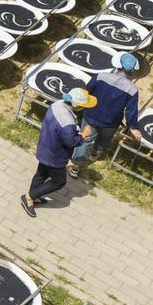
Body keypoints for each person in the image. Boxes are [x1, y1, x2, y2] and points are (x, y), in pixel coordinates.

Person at [21, 88, 96, 218]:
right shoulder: (67, 122)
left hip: (45, 146)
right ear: (77, 106)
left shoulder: (57, 104)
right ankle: (29, 197)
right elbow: (71, 142)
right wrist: (84, 135)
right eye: (84, 106)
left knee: (41, 174)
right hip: (55, 155)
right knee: (59, 181)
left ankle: (34, 196)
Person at [69, 51, 142, 178]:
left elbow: (87, 92)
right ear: (133, 71)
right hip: (111, 122)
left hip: (91, 116)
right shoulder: (132, 89)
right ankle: (94, 155)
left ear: (117, 65)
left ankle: (75, 167)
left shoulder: (100, 76)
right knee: (103, 141)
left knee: (85, 140)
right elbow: (131, 110)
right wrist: (133, 127)